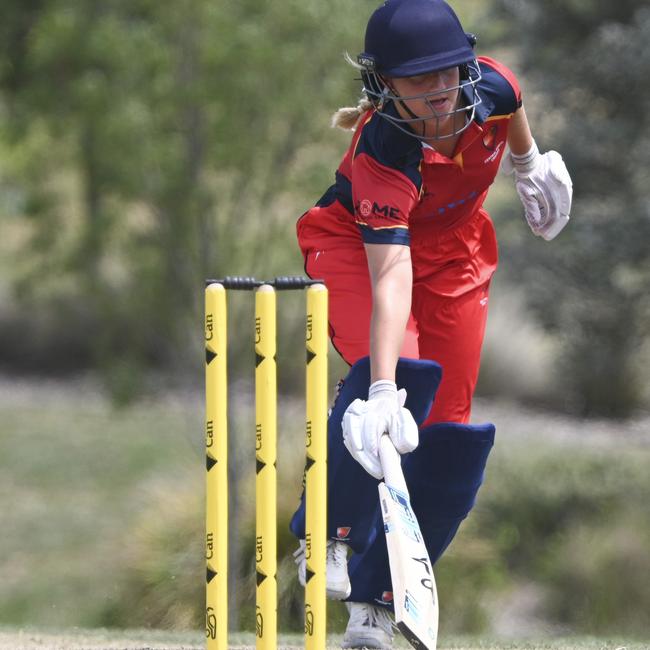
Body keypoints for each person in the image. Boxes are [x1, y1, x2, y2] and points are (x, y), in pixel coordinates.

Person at [290, 0, 573, 648]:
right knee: (398, 385)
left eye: (447, 72)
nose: (439, 91)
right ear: (382, 85)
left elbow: (514, 99)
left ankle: (377, 609)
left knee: (447, 438)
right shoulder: (384, 148)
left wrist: (529, 164)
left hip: (455, 252)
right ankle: (327, 533)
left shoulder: (489, 85)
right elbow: (391, 276)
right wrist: (385, 388)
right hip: (359, 247)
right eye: (418, 80)